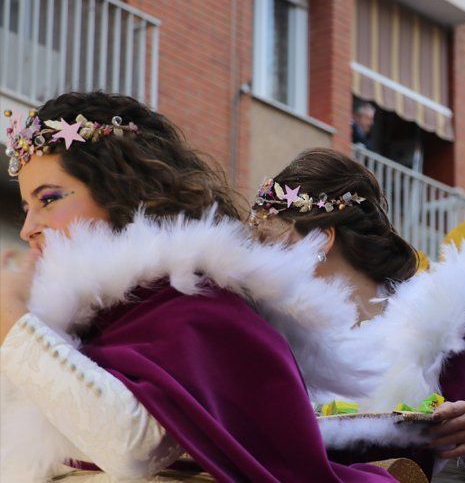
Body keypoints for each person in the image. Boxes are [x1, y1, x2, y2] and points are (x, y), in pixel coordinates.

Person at [0, 92, 401, 481]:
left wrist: (15, 324)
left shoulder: (196, 306)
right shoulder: (77, 322)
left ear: (118, 187)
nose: (28, 228)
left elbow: (131, 447)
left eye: (48, 199)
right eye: (26, 208)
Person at [249, 147, 465, 483]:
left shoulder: (447, 323)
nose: (258, 264)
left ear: (322, 240)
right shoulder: (278, 347)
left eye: (270, 243)